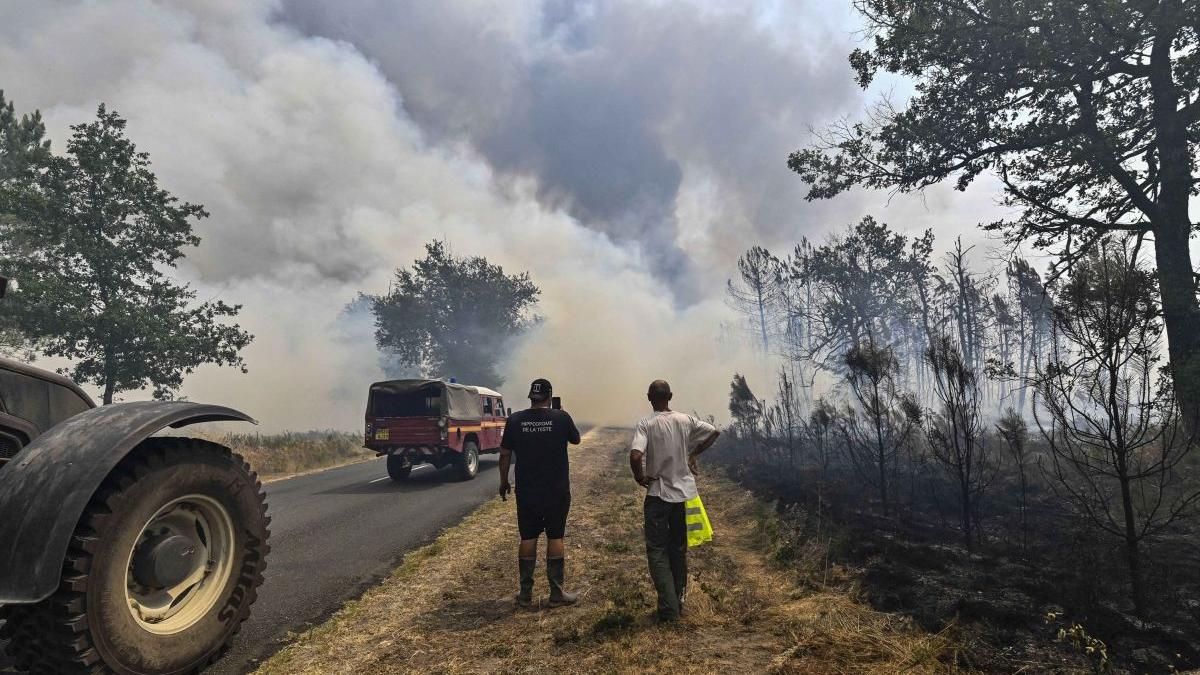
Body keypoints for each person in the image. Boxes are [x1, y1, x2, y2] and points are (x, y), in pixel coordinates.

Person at [629, 379, 720, 621]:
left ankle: (668, 609)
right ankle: (679, 600)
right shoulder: (685, 420)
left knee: (657, 550)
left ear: (649, 397)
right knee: (678, 548)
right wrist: (693, 454)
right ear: (671, 396)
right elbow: (714, 431)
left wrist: (640, 477)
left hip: (658, 495)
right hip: (682, 496)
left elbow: (636, 455)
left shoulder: (646, 424)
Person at [499, 378, 582, 607]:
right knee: (556, 537)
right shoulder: (561, 418)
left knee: (528, 537)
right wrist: (562, 414)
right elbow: (576, 439)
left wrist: (504, 481)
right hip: (556, 490)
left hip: (527, 491)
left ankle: (525, 594)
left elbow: (505, 453)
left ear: (531, 397)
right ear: (549, 396)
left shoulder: (515, 420)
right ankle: (556, 593)